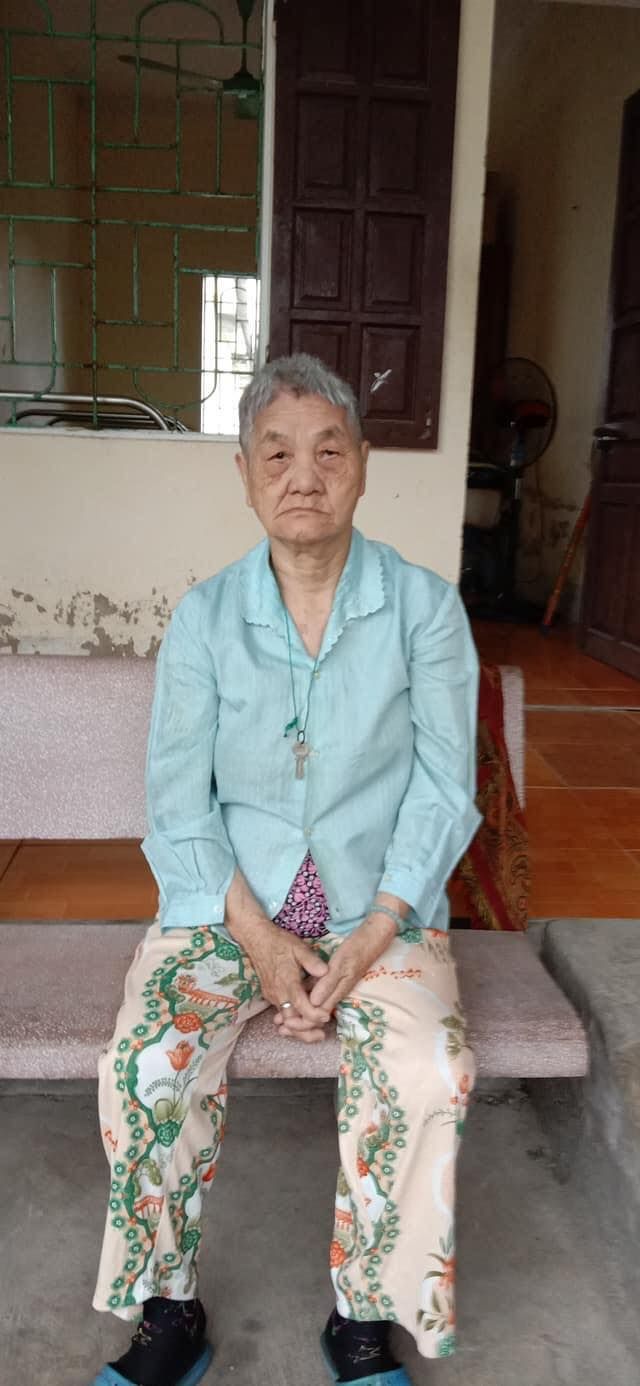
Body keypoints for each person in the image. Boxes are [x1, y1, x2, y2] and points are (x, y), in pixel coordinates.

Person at [90, 354, 481, 1386]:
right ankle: (169, 1312)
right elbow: (179, 802)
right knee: (145, 1065)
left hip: (380, 908)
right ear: (245, 474)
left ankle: (363, 1319)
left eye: (328, 451)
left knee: (428, 1070)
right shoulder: (206, 617)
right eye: (276, 454)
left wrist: (378, 924)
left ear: (363, 466)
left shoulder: (425, 609)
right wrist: (260, 940)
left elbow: (445, 788)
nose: (303, 476)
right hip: (229, 907)